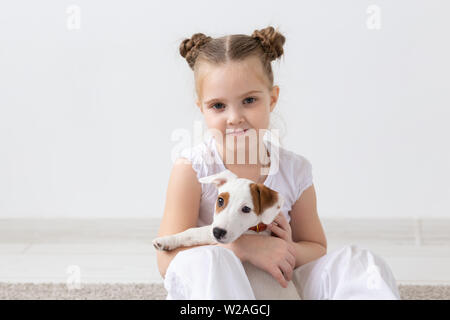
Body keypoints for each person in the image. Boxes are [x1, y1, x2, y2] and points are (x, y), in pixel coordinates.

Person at [155, 26, 401, 300]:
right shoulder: (192, 168)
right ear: (202, 108)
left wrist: (285, 249)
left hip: (279, 285)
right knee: (210, 261)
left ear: (272, 99)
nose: (234, 117)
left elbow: (316, 247)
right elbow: (167, 261)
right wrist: (245, 248)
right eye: (218, 106)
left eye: (249, 100)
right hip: (216, 289)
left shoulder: (294, 170)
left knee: (358, 262)